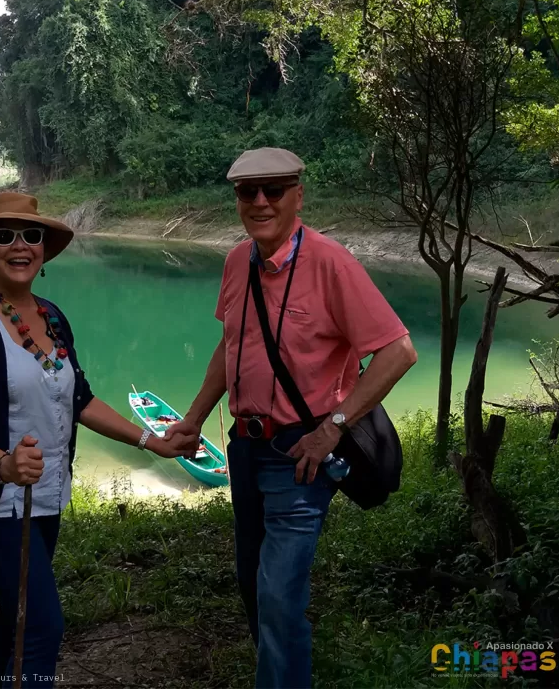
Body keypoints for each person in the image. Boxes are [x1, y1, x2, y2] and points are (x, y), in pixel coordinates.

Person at [165, 148, 417, 689]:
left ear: (297, 195)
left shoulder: (331, 263)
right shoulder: (238, 262)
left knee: (278, 595)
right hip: (244, 448)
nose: (259, 202)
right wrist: (194, 417)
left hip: (302, 454)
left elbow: (398, 351)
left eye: (273, 189)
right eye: (246, 192)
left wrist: (333, 428)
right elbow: (230, 346)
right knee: (254, 586)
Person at [0, 192, 198, 688]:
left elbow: (80, 400)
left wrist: (150, 440)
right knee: (42, 622)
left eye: (31, 235)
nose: (20, 245)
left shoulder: (52, 318)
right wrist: (2, 466)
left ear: (44, 249)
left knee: (19, 611)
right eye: (4, 236)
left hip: (47, 492)